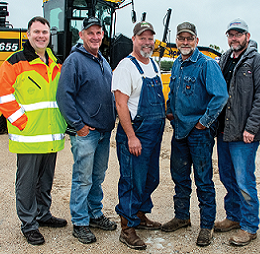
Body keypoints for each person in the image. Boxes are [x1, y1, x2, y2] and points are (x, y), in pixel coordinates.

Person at [0, 16, 67, 246]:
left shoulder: (55, 63)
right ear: (28, 35)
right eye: (36, 32)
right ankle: (29, 224)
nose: (41, 36)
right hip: (28, 136)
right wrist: (22, 122)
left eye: (44, 32)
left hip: (51, 134)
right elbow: (3, 96)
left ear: (49, 35)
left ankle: (43, 214)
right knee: (26, 183)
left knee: (45, 180)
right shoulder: (14, 62)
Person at [161, 21, 228, 247]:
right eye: (182, 38)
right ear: (177, 41)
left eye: (190, 38)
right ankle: (182, 217)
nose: (185, 42)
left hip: (199, 134)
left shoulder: (207, 65)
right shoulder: (178, 64)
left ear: (197, 41)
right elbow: (173, 92)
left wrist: (203, 122)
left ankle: (207, 226)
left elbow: (220, 96)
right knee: (179, 177)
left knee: (203, 179)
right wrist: (170, 111)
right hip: (180, 131)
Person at [56, 16, 117, 244]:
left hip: (103, 132)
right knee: (82, 178)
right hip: (87, 133)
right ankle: (80, 222)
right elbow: (64, 96)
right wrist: (78, 125)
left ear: (102, 35)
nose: (95, 36)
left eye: (98, 33)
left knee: (97, 177)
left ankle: (95, 214)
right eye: (90, 33)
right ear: (82, 35)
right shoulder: (74, 61)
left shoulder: (103, 61)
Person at [214, 18, 260, 246]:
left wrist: (251, 127)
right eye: (231, 34)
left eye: (238, 34)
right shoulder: (225, 59)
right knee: (227, 176)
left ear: (247, 36)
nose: (234, 38)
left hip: (244, 134)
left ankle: (249, 226)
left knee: (245, 180)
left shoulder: (257, 61)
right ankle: (234, 217)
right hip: (224, 131)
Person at [112, 21, 165, 250]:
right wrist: (131, 136)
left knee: (151, 178)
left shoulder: (153, 63)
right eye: (142, 38)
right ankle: (127, 227)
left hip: (154, 135)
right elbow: (121, 104)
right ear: (133, 40)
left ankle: (141, 215)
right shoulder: (126, 67)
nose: (147, 42)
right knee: (132, 181)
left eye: (150, 38)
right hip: (136, 134)